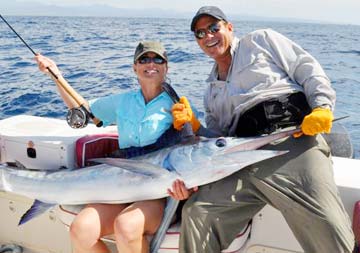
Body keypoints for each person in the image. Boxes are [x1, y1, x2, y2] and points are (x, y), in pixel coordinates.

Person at [169, 6, 355, 253]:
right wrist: (195, 125)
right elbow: (220, 141)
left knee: (328, 225)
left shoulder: (261, 41)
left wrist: (322, 107)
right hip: (243, 160)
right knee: (197, 212)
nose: (209, 36)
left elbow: (308, 70)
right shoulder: (210, 91)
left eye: (214, 28)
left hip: (292, 144)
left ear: (229, 27)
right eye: (200, 33)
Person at [35, 41, 180, 253]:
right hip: (119, 186)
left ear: (166, 67)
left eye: (158, 59)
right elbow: (82, 110)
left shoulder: (178, 105)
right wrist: (55, 74)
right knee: (80, 230)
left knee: (126, 226)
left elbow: (191, 148)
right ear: (134, 67)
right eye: (144, 59)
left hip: (156, 194)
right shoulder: (124, 101)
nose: (151, 63)